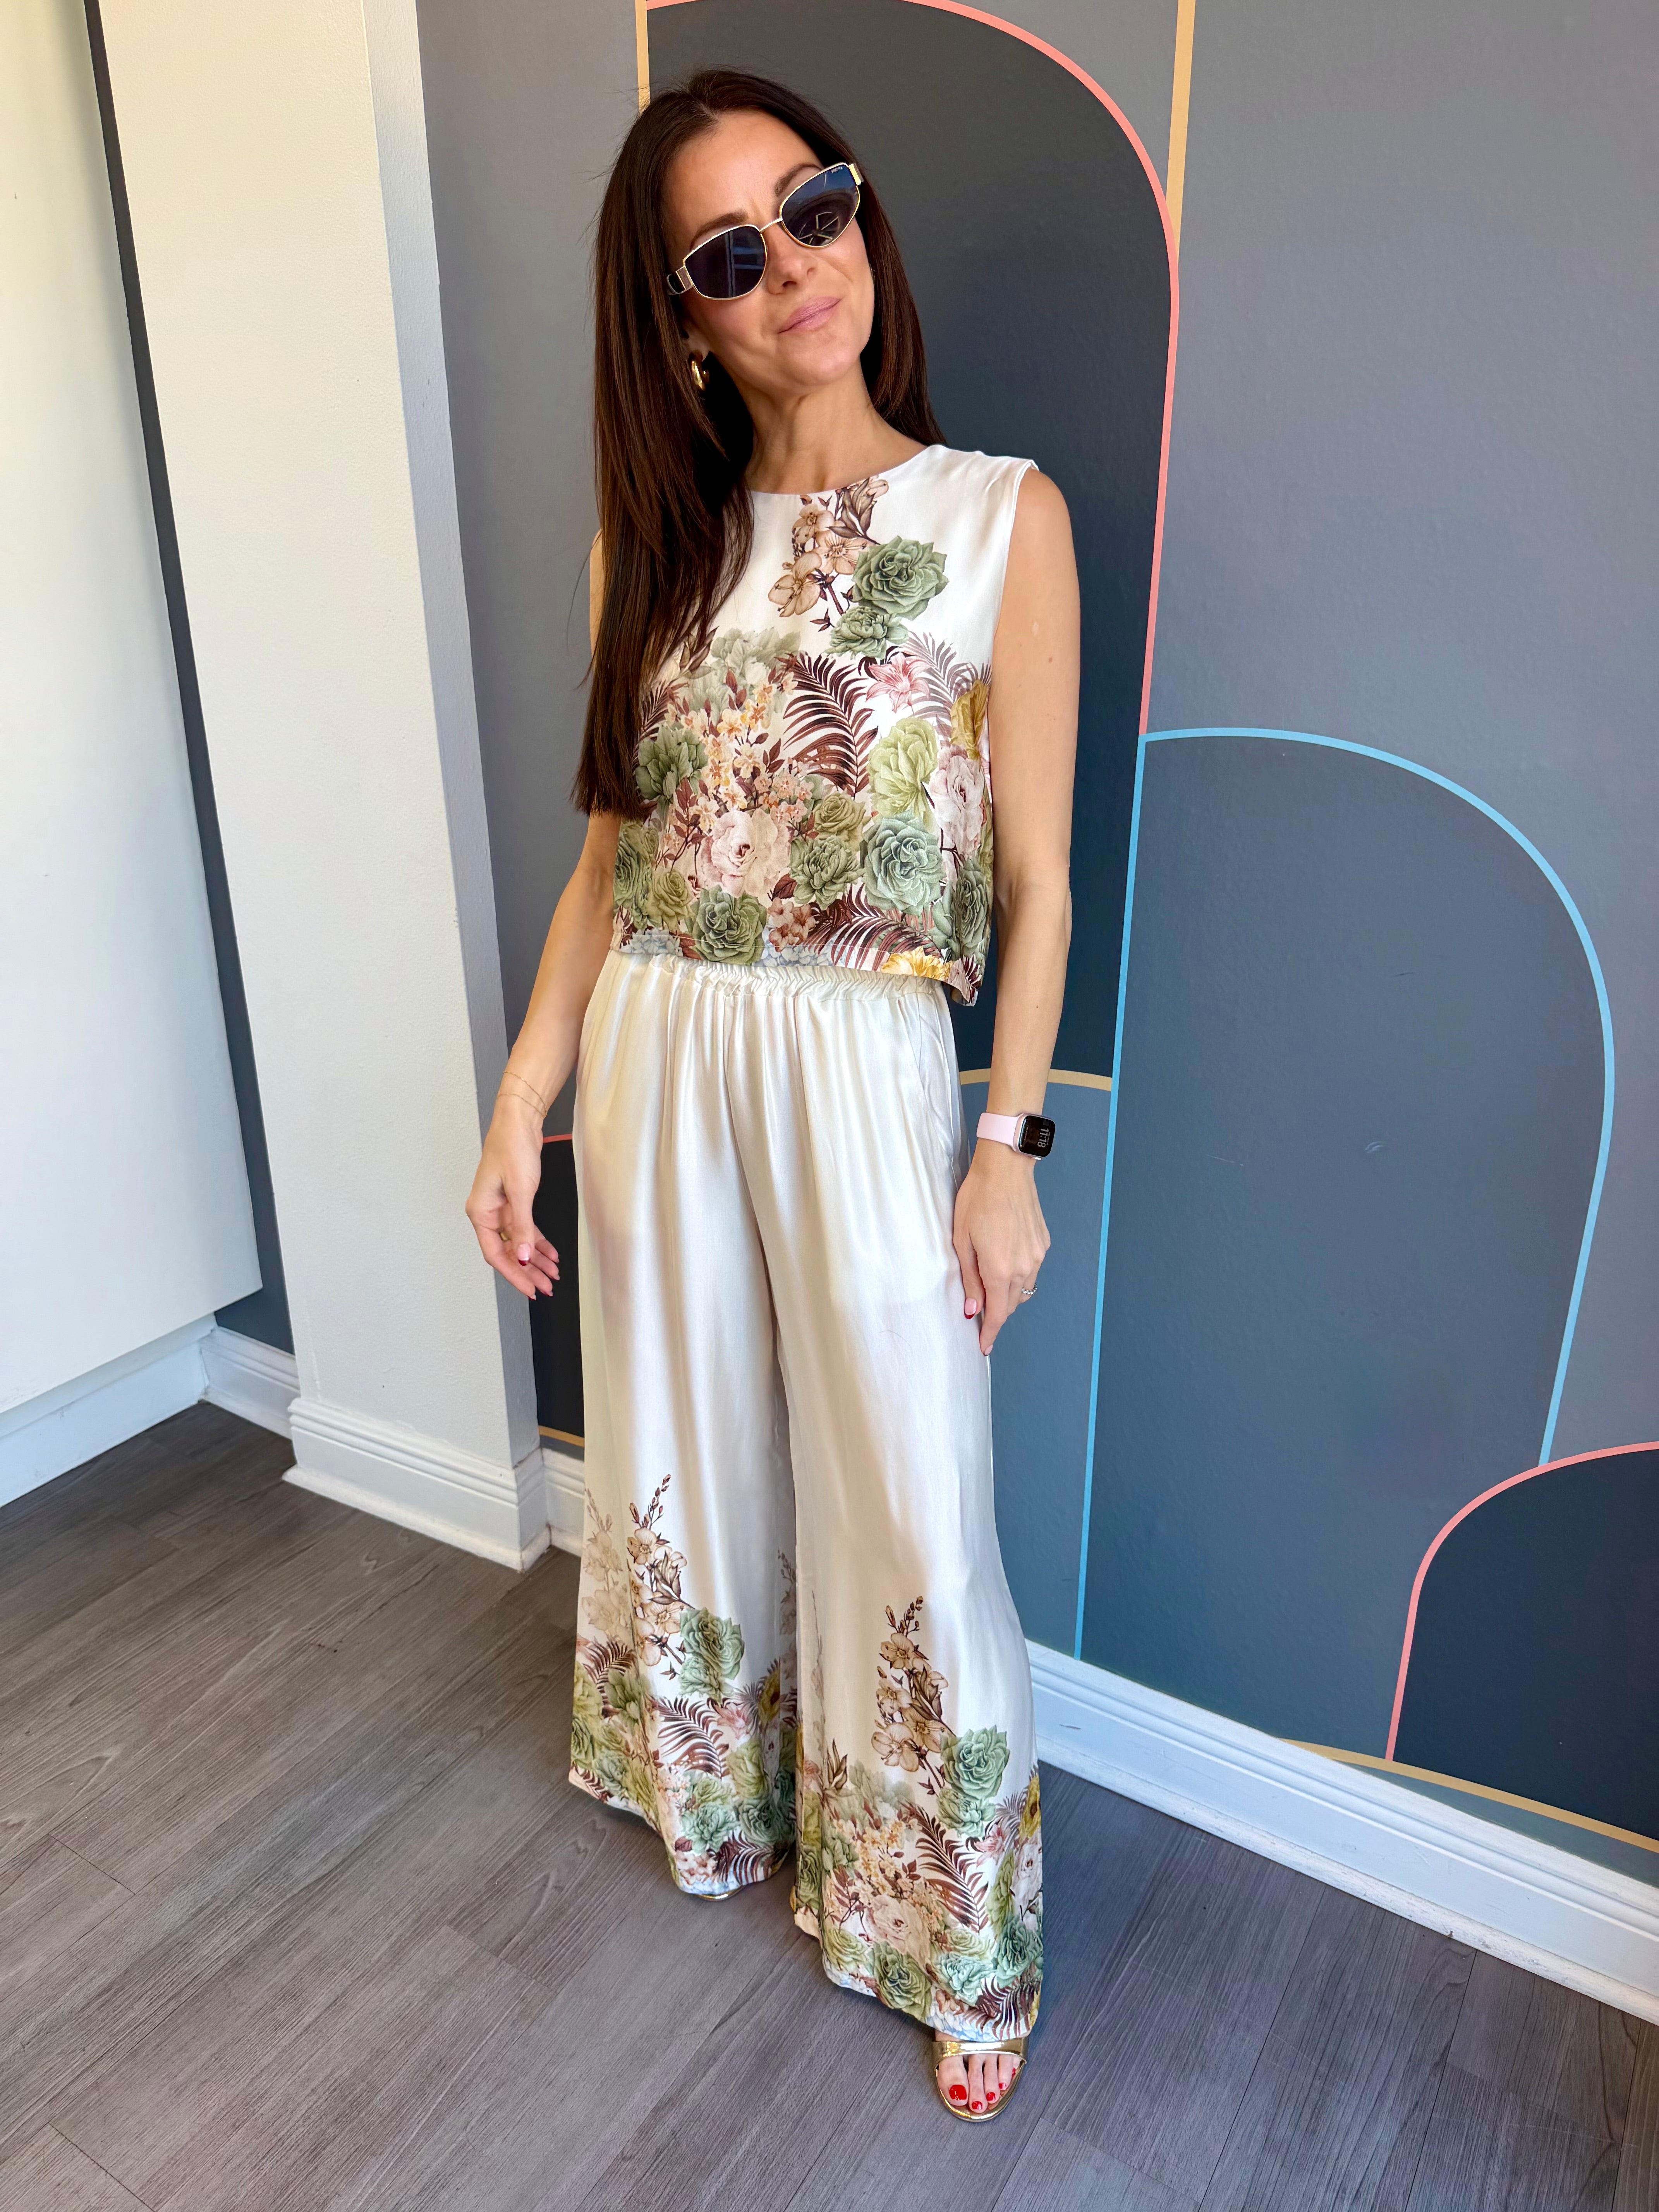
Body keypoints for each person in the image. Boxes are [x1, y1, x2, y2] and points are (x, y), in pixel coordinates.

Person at [466, 67, 1078, 2121]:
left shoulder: (1000, 519)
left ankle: (953, 1929)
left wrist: (1008, 1149)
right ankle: (717, 1793)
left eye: (816, 205)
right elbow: (606, 862)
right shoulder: (645, 554)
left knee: (910, 1486)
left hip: (864, 1053)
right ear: (682, 323)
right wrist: (524, 1100)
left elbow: (1037, 879)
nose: (799, 263)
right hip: (660, 1038)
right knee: (682, 1439)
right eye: (734, 251)